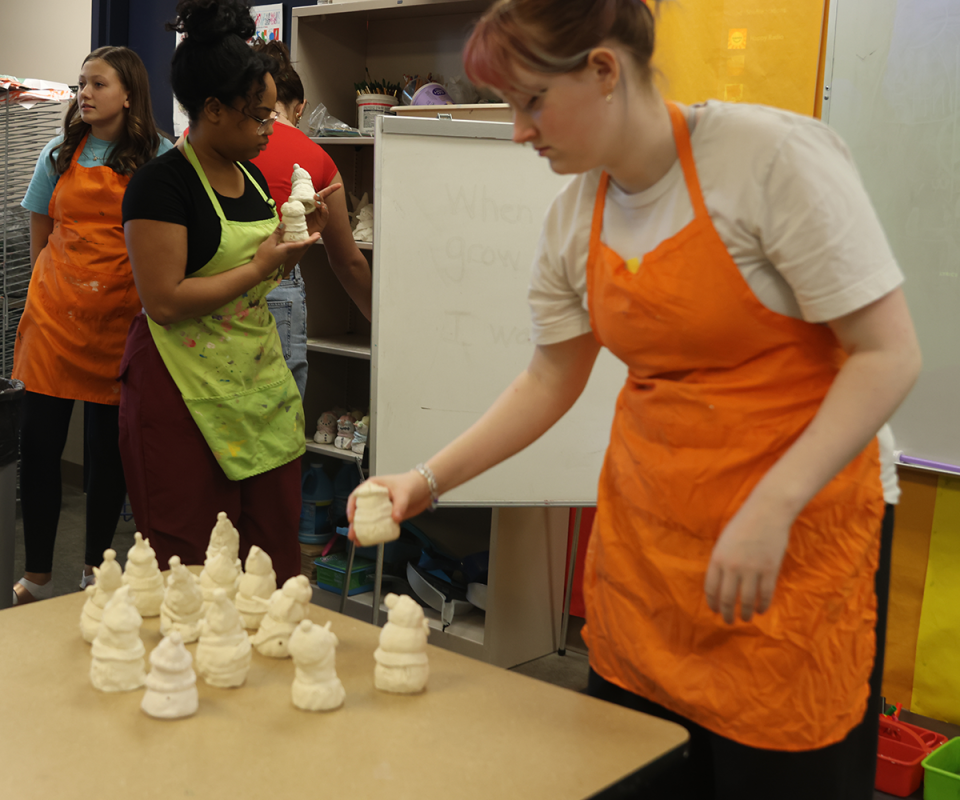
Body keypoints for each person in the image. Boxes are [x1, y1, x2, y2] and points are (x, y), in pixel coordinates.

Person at [350, 0, 921, 797]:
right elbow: (550, 378)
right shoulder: (573, 219)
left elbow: (888, 353)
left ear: (605, 70)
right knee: (641, 755)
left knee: (779, 761)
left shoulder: (770, 161)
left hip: (797, 533)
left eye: (530, 102)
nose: (518, 131)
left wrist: (772, 505)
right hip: (654, 539)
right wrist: (426, 478)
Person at [119, 0, 338, 582]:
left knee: (270, 561)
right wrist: (263, 260)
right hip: (181, 389)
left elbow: (258, 277)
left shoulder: (252, 180)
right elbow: (164, 301)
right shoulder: (160, 185)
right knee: (193, 565)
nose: (270, 129)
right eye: (260, 117)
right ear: (213, 109)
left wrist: (293, 240)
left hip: (256, 383)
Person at [11, 47, 173, 605]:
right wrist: (49, 297)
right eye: (81, 83)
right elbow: (40, 241)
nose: (84, 92)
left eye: (97, 83)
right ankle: (36, 574)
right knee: (38, 450)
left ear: (128, 93)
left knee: (109, 459)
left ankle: (93, 570)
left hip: (121, 327)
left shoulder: (161, 158)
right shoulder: (57, 154)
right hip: (54, 323)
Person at [250, 39, 373, 400]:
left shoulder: (214, 143)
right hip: (278, 286)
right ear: (300, 108)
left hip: (212, 285)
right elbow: (348, 262)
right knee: (275, 423)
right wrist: (383, 330)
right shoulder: (316, 158)